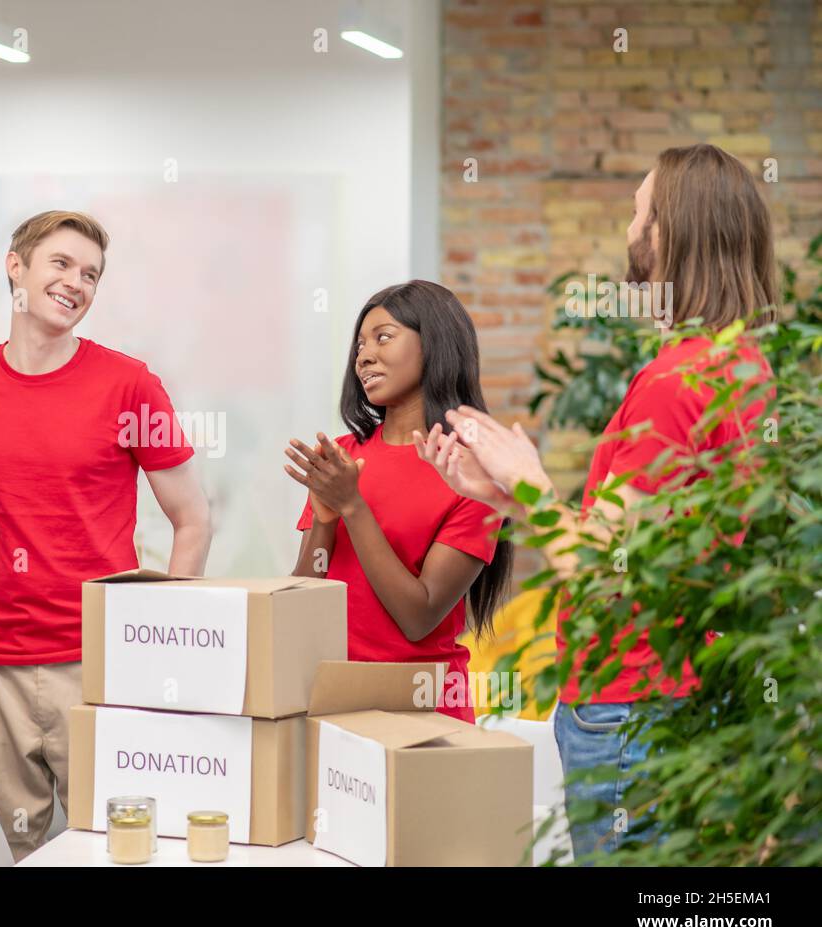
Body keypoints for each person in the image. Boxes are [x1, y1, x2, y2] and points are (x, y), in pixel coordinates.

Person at [415, 144, 777, 860]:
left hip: (631, 708)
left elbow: (610, 575)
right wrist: (506, 498)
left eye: (640, 211)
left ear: (672, 232)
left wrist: (531, 483)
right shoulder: (742, 365)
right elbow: (650, 551)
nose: (629, 230)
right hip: (685, 699)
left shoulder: (674, 384)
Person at [0, 210, 212, 861]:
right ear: (15, 266)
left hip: (103, 670)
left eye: (91, 274)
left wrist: (158, 642)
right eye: (61, 263)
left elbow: (193, 517)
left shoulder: (131, 385)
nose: (76, 282)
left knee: (119, 853)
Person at [286, 279, 512, 723]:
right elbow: (301, 601)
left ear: (435, 345)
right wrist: (326, 521)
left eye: (383, 337)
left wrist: (353, 508)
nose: (364, 356)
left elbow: (418, 616)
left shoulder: (474, 474)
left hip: (423, 713)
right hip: (335, 701)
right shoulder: (343, 457)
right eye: (359, 346)